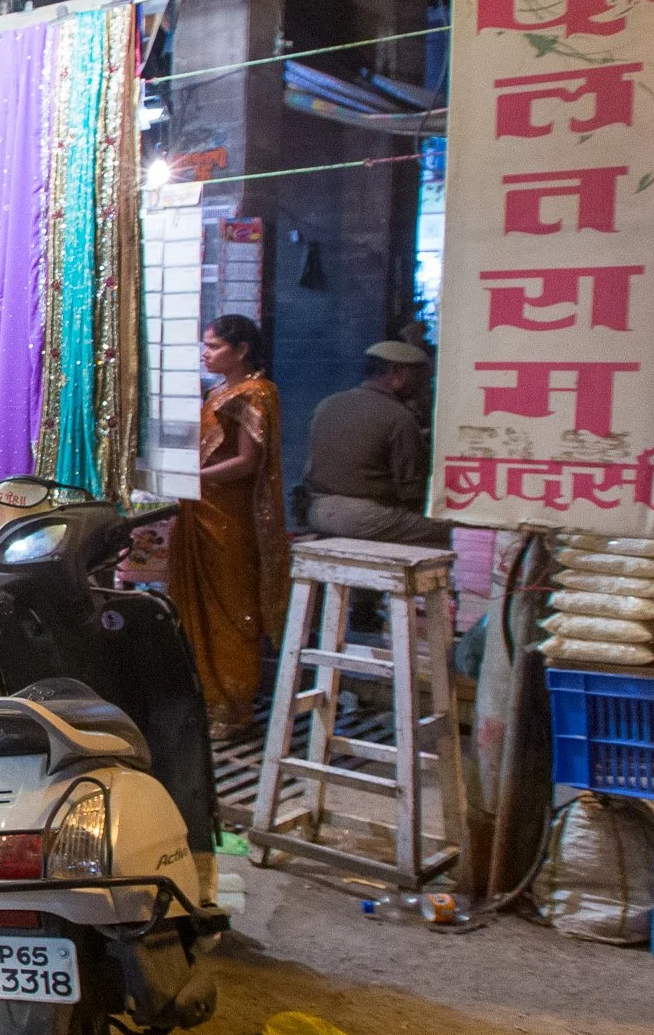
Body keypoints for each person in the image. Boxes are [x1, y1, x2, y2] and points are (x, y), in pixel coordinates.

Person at [166, 315, 291, 740]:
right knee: (194, 606)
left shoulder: (256, 393)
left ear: (241, 351)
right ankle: (204, 699)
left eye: (215, 347)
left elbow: (246, 463)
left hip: (230, 518)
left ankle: (234, 708)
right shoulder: (215, 392)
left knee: (231, 608)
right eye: (205, 345)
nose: (206, 353)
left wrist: (191, 478)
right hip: (198, 512)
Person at [302, 340, 456, 547]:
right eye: (419, 378)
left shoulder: (327, 404)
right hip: (365, 519)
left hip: (317, 511)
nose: (424, 386)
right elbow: (412, 491)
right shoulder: (399, 417)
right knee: (456, 532)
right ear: (397, 373)